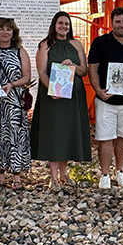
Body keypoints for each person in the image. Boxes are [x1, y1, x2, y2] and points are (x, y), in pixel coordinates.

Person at [30, 11, 92, 184]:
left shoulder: (77, 44)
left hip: (73, 96)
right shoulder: (45, 45)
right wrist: (53, 89)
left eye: (66, 24)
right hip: (53, 96)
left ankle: (64, 173)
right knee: (54, 133)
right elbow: (42, 72)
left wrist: (73, 65)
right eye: (60, 23)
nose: (64, 26)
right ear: (54, 25)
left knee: (67, 132)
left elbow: (83, 70)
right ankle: (54, 177)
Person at [88, 7, 123, 189]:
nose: (121, 25)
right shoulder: (100, 43)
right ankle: (104, 174)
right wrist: (98, 90)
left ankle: (120, 172)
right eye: (118, 21)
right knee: (105, 138)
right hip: (105, 100)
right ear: (111, 23)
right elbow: (93, 68)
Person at [0, 17, 32, 188]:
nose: (4, 32)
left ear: (13, 33)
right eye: (1, 29)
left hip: (13, 101)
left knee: (14, 135)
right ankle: (0, 175)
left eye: (8, 29)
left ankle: (16, 176)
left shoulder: (20, 51)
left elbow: (27, 77)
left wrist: (12, 84)